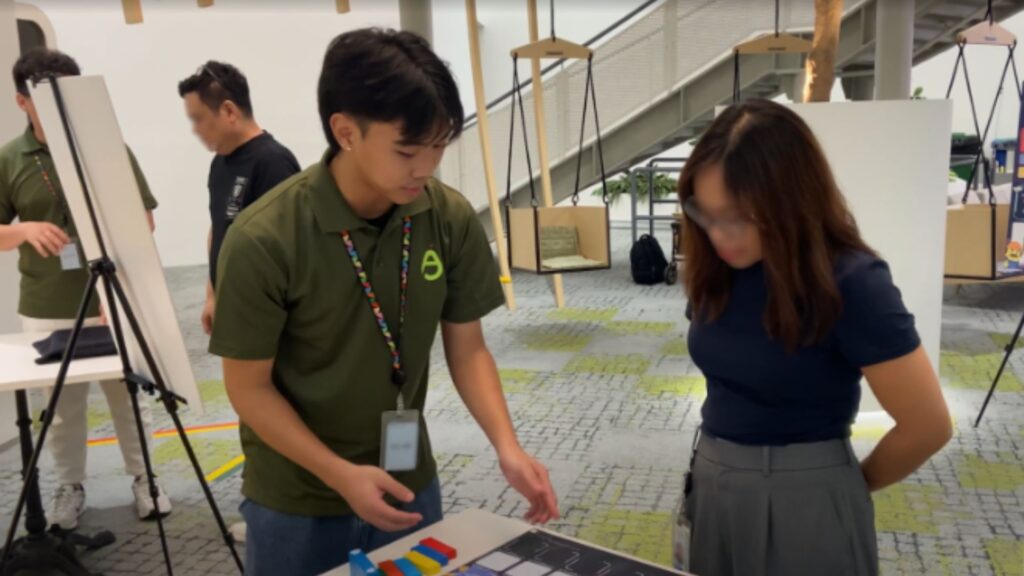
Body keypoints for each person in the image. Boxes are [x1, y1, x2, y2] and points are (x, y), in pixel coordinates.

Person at [209, 28, 560, 575]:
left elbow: (468, 349)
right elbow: (247, 388)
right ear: (345, 132)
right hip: (297, 496)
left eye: (440, 146)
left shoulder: (447, 217)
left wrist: (507, 446)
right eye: (407, 150)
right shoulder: (265, 237)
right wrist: (339, 473)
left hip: (406, 480)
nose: (426, 167)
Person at [678, 99, 952, 576]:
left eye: (739, 216)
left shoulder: (852, 281)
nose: (720, 233)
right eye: (707, 213)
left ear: (791, 201)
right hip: (711, 479)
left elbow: (928, 425)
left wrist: (838, 487)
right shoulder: (717, 268)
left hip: (803, 495)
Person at [0, 49, 171, 530]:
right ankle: (69, 485)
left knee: (129, 394)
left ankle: (146, 478)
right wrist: (24, 230)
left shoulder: (105, 145)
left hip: (112, 297)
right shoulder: (9, 159)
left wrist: (112, 276)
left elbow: (143, 219)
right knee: (58, 410)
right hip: (46, 303)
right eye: (46, 97)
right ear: (22, 101)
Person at [177, 61, 300, 335]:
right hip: (234, 305)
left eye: (198, 119)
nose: (195, 129)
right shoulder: (220, 162)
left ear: (229, 110)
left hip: (266, 315)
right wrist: (213, 294)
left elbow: (292, 249)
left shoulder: (273, 162)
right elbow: (219, 227)